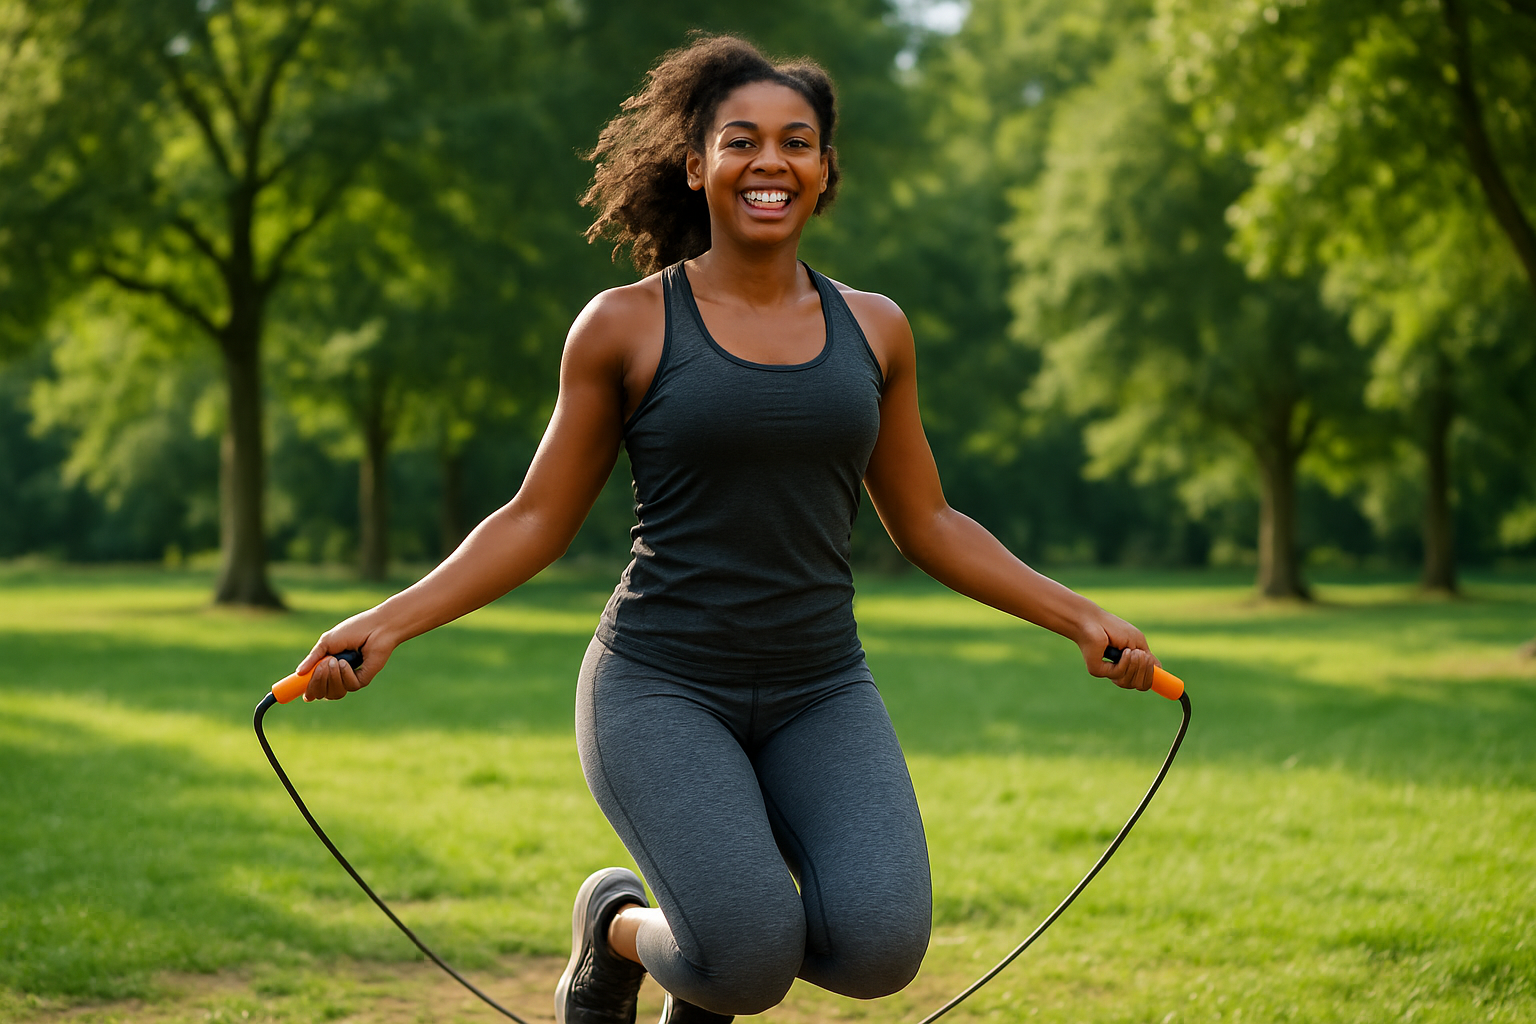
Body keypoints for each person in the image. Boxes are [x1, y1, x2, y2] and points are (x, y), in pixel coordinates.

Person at [295, 33, 1162, 1024]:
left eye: (797, 142)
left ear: (826, 170)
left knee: (880, 947)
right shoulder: (625, 325)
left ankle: (706, 936)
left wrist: (1080, 617)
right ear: (696, 163)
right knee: (747, 961)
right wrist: (392, 620)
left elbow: (927, 519)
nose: (770, 162)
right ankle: (615, 922)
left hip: (820, 683)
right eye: (740, 140)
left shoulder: (876, 328)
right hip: (660, 681)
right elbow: (536, 515)